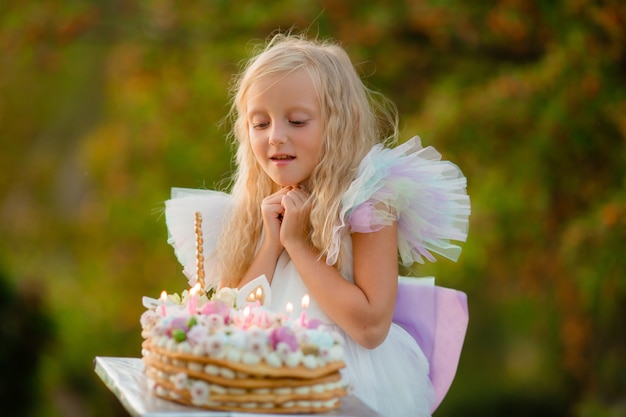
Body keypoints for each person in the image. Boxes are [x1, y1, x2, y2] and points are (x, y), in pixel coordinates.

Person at [165, 32, 470, 417]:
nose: (276, 137)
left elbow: (371, 328)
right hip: (264, 378)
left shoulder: (368, 201)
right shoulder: (258, 210)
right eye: (260, 124)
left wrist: (298, 244)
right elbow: (233, 320)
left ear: (337, 123)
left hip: (343, 380)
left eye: (296, 121)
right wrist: (272, 244)